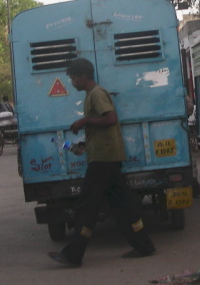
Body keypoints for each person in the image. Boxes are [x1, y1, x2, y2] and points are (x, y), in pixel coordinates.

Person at [48, 58, 155, 267]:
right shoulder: (91, 95)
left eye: (73, 78)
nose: (71, 82)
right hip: (106, 157)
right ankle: (144, 246)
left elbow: (111, 119)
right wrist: (84, 144)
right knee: (123, 206)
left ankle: (73, 254)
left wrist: (84, 121)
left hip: (104, 160)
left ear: (83, 77)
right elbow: (101, 128)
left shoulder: (96, 94)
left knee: (87, 206)